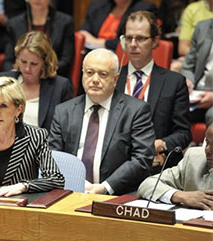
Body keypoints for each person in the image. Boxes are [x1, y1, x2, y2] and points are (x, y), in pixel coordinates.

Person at [49, 48, 155, 195]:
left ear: (116, 79)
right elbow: (53, 156)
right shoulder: (64, 111)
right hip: (70, 192)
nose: (95, 80)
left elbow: (142, 159)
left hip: (117, 195)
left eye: (103, 74)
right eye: (89, 72)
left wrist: (105, 187)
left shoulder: (135, 111)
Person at [115, 11, 191, 172]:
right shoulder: (112, 79)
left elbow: (183, 133)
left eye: (141, 38)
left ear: (155, 41)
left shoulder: (174, 82)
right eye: (128, 38)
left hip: (155, 164)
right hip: (115, 164)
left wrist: (162, 144)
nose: (133, 44)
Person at [0, 31, 73, 132]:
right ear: (17, 58)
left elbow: (64, 130)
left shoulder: (61, 87)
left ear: (44, 62)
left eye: (34, 63)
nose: (27, 68)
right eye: (23, 62)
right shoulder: (1, 81)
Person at [138, 124, 213, 210]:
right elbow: (147, 184)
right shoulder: (194, 159)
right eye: (207, 142)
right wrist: (179, 195)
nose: (207, 150)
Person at [3, 0, 74, 77]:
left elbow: (66, 61)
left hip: (51, 76)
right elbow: (8, 61)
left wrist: (42, 70)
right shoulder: (14, 24)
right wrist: (19, 72)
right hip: (22, 76)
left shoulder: (65, 22)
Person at [79, 0, 157, 51]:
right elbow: (83, 32)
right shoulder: (98, 5)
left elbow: (132, 40)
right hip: (93, 54)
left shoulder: (144, 8)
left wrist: (97, 42)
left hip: (123, 57)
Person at [180, 18, 213, 126]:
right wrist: (188, 81)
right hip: (197, 93)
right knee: (163, 106)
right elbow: (188, 66)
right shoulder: (202, 27)